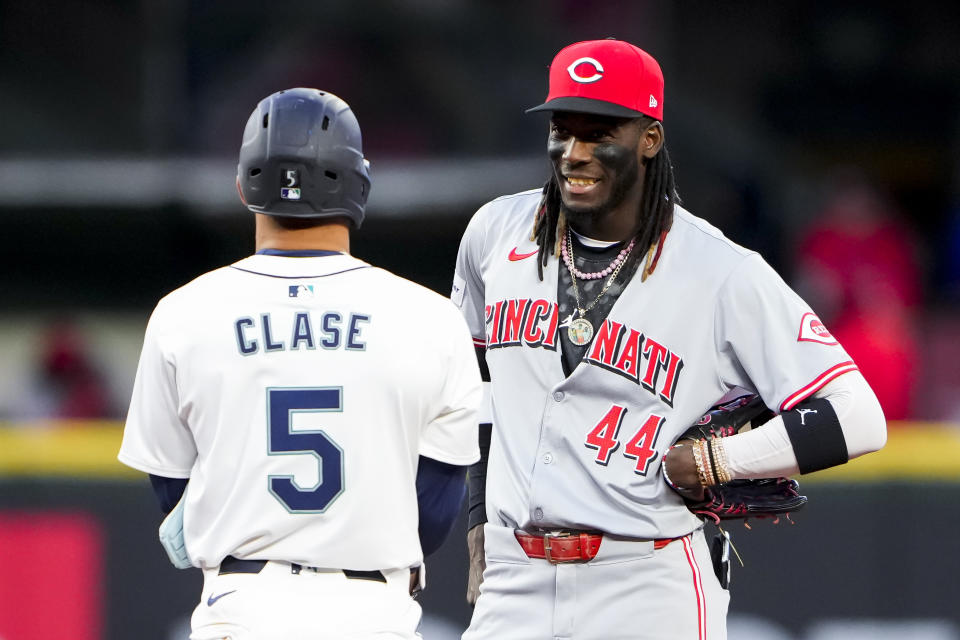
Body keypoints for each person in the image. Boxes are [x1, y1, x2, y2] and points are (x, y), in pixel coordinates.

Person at [452, 40, 887, 640]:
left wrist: (721, 460)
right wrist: (478, 518)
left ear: (649, 138)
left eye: (599, 131)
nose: (574, 153)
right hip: (514, 576)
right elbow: (476, 385)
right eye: (563, 129)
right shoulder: (493, 234)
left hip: (645, 579)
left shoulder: (721, 270)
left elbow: (860, 417)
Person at [118, 88, 482, 640]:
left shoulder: (183, 313)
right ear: (359, 184)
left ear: (243, 185)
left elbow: (174, 499)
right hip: (374, 611)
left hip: (239, 607)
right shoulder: (432, 318)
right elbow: (432, 515)